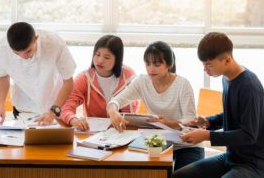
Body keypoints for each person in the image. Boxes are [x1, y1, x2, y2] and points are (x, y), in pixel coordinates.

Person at [173, 32, 264, 178]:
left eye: (209, 64)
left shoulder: (249, 86)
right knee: (179, 176)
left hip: (252, 164)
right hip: (230, 157)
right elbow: (232, 114)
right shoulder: (226, 78)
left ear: (227, 60)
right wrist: (209, 121)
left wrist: (207, 136)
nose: (205, 69)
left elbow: (249, 135)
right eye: (203, 64)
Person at [107, 41, 204, 171]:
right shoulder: (142, 81)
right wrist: (113, 111)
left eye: (157, 64)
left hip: (187, 144)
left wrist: (170, 123)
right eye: (148, 64)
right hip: (158, 143)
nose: (151, 68)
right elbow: (116, 100)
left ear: (169, 64)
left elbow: (191, 120)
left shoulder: (182, 84)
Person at [0, 22, 76, 125]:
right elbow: (4, 76)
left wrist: (53, 111)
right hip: (23, 110)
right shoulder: (2, 47)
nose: (24, 57)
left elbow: (68, 82)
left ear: (36, 38)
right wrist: (0, 105)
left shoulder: (54, 43)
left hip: (55, 108)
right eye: (17, 53)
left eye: (28, 51)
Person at [60, 35, 138, 131]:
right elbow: (66, 106)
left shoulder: (128, 77)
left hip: (121, 131)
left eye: (107, 57)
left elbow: (130, 115)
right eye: (97, 54)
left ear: (117, 60)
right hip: (94, 133)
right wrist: (73, 119)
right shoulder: (84, 78)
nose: (100, 60)